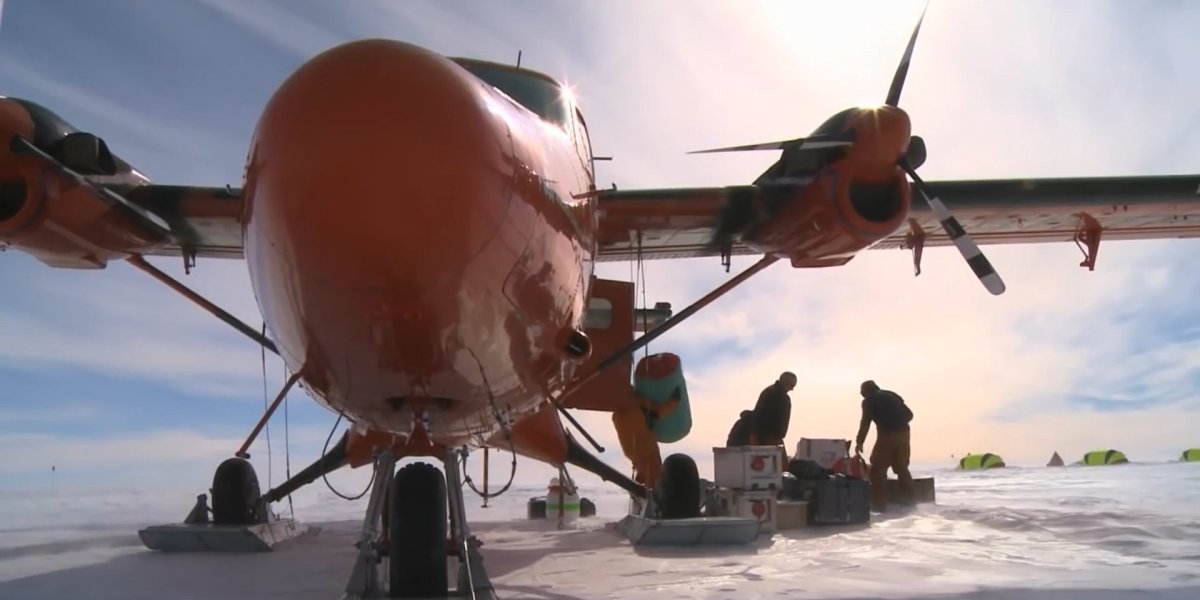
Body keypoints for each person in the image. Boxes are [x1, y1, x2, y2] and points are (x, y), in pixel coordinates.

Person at [854, 380, 914, 512]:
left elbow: (865, 423)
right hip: (904, 434)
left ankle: (878, 507)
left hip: (887, 435)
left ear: (865, 392)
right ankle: (911, 503)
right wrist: (899, 424)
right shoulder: (891, 395)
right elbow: (910, 415)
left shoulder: (869, 401)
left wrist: (859, 442)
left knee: (877, 471)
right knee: (902, 468)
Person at [750, 372, 796, 452]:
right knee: (775, 463)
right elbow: (781, 421)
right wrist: (778, 436)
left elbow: (758, 415)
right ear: (787, 384)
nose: (792, 389)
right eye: (792, 386)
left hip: (761, 436)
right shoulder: (782, 398)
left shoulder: (767, 391)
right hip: (769, 438)